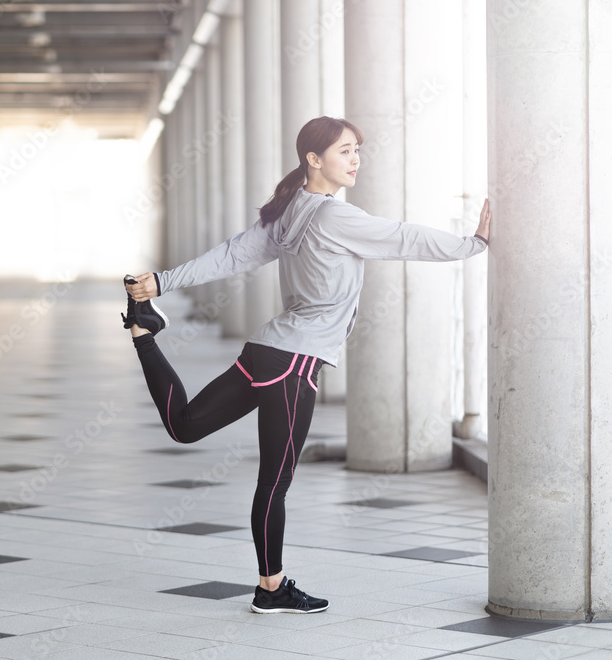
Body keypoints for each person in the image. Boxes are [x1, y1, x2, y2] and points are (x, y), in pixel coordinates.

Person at [121, 116, 491, 614]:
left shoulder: (288, 210)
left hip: (267, 350)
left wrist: (162, 283)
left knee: (184, 427)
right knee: (274, 481)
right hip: (293, 362)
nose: (355, 158)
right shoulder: (334, 215)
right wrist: (473, 244)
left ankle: (143, 331)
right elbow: (402, 238)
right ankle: (271, 590)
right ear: (314, 160)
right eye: (344, 151)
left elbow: (229, 256)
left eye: (357, 149)